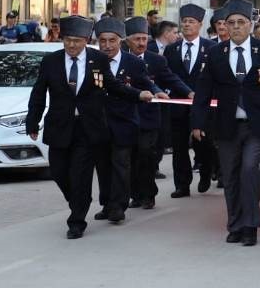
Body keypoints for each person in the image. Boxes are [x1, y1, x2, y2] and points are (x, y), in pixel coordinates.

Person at [25, 16, 152, 239]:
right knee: (59, 172)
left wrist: (138, 94)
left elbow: (112, 86)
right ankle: (78, 200)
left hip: (88, 128)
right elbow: (38, 94)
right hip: (59, 127)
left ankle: (77, 220)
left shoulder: (97, 61)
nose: (72, 45)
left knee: (80, 175)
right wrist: (32, 121)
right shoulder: (51, 62)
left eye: (76, 40)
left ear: (85, 40)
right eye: (67, 40)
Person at [192, 0, 260, 246]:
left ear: (250, 24)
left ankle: (251, 225)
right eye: (231, 23)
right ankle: (235, 224)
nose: (236, 27)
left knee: (249, 170)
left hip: (256, 125)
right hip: (226, 126)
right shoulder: (215, 53)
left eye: (241, 22)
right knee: (231, 175)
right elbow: (203, 91)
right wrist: (197, 123)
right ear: (223, 26)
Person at [93, 18, 161, 224]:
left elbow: (146, 83)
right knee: (103, 167)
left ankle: (118, 206)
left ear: (120, 41)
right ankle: (106, 203)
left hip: (124, 123)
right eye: (102, 41)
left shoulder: (134, 63)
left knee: (121, 165)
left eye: (111, 41)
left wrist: (156, 92)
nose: (107, 45)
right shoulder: (92, 60)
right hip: (98, 123)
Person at [124, 16, 190, 209]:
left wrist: (189, 92)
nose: (141, 43)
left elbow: (172, 79)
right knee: (130, 157)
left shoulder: (156, 60)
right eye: (137, 39)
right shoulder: (119, 57)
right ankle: (135, 194)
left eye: (144, 39)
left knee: (146, 154)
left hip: (149, 116)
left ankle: (148, 194)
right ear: (127, 40)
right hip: (126, 116)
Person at [162, 4, 212, 196]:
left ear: (200, 24)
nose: (187, 25)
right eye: (184, 21)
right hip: (178, 105)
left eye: (191, 22)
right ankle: (182, 185)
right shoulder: (171, 49)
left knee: (204, 144)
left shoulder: (211, 48)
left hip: (203, 106)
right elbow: (166, 76)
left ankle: (206, 172)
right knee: (179, 146)